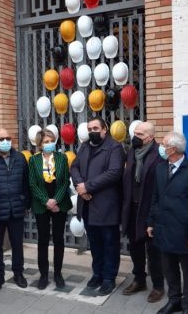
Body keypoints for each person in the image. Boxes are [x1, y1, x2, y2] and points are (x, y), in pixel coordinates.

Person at [147, 131, 188, 314]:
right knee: (169, 267)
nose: (161, 147)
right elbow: (155, 199)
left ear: (172, 149)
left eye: (164, 144)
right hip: (163, 228)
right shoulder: (160, 169)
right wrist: (151, 222)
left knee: (187, 270)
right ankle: (174, 300)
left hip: (184, 233)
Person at [70, 117, 125, 295]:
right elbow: (75, 167)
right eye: (89, 128)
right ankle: (98, 273)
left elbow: (114, 173)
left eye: (95, 128)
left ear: (104, 129)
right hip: (87, 204)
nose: (92, 131)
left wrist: (88, 186)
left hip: (106, 206)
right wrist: (80, 186)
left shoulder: (114, 147)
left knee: (110, 243)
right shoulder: (85, 146)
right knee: (94, 244)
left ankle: (109, 277)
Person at [121, 121, 165, 301]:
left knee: (154, 250)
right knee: (135, 247)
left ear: (150, 137)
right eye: (135, 133)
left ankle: (158, 285)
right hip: (132, 208)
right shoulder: (132, 152)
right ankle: (139, 279)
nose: (135, 137)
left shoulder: (159, 154)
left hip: (150, 209)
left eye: (139, 134)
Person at [0, 128, 30, 292]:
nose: (5, 141)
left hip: (16, 209)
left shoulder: (20, 158)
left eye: (8, 138)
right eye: (1, 138)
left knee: (17, 244)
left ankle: (18, 274)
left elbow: (26, 184)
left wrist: (26, 205)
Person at [28, 129, 72, 290]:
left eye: (51, 140)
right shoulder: (33, 160)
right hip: (42, 204)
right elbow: (32, 184)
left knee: (59, 239)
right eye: (46, 142)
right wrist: (46, 201)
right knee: (43, 240)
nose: (49, 144)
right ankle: (44, 274)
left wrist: (56, 201)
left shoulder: (62, 158)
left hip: (59, 203)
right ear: (39, 144)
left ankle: (58, 273)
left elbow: (65, 182)